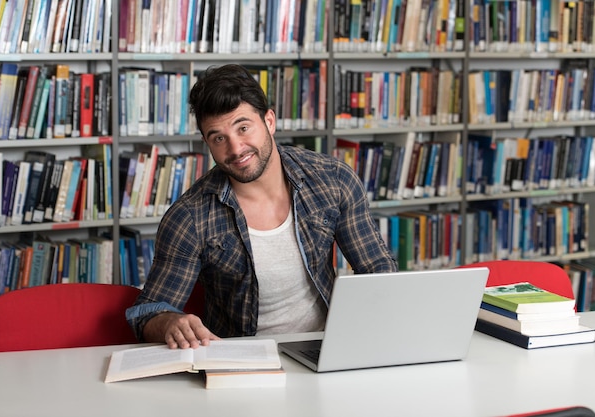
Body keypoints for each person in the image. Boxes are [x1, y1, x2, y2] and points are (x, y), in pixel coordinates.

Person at [126, 64, 397, 349]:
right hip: (241, 360)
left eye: (243, 128)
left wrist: (363, 332)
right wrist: (169, 322)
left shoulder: (332, 179)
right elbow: (147, 312)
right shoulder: (190, 217)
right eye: (219, 138)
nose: (236, 148)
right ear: (207, 142)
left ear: (269, 121)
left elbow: (377, 269)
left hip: (326, 346)